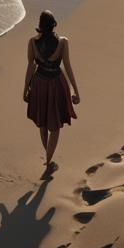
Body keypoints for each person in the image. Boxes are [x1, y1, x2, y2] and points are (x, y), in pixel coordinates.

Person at [23, 10, 79, 171]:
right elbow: (67, 67)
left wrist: (25, 90)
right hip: (55, 83)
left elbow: (30, 67)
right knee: (55, 126)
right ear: (54, 24)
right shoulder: (63, 42)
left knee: (43, 122)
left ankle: (47, 156)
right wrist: (76, 91)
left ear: (40, 25)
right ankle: (48, 162)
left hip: (39, 83)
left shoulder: (32, 42)